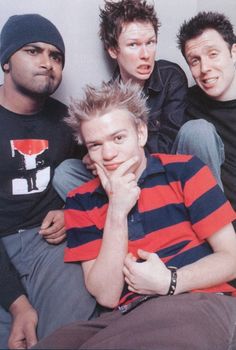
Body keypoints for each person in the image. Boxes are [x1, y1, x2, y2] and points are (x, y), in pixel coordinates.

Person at [34, 80, 236, 350]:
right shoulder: (80, 201)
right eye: (95, 145)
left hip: (199, 300)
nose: (108, 154)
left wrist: (170, 281)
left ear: (140, 133)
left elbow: (232, 258)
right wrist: (117, 210)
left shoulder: (185, 171)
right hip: (126, 314)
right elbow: (107, 295)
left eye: (118, 138)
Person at [0, 14, 96, 349]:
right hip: (2, 243)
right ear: (6, 61)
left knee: (74, 325)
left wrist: (73, 214)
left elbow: (94, 177)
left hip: (48, 244)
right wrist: (18, 302)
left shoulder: (64, 119)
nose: (47, 63)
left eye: (56, 56)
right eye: (33, 51)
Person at [53, 0, 188, 201]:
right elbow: (99, 153)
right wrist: (94, 155)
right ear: (113, 50)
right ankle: (124, 218)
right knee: (66, 172)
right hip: (123, 179)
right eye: (133, 45)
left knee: (198, 131)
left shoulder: (170, 77)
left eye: (150, 43)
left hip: (166, 175)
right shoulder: (106, 98)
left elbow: (168, 146)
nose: (145, 55)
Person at [173, 11, 236, 228]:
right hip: (203, 221)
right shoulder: (183, 102)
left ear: (233, 52)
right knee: (197, 130)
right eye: (195, 60)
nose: (205, 68)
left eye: (213, 54)